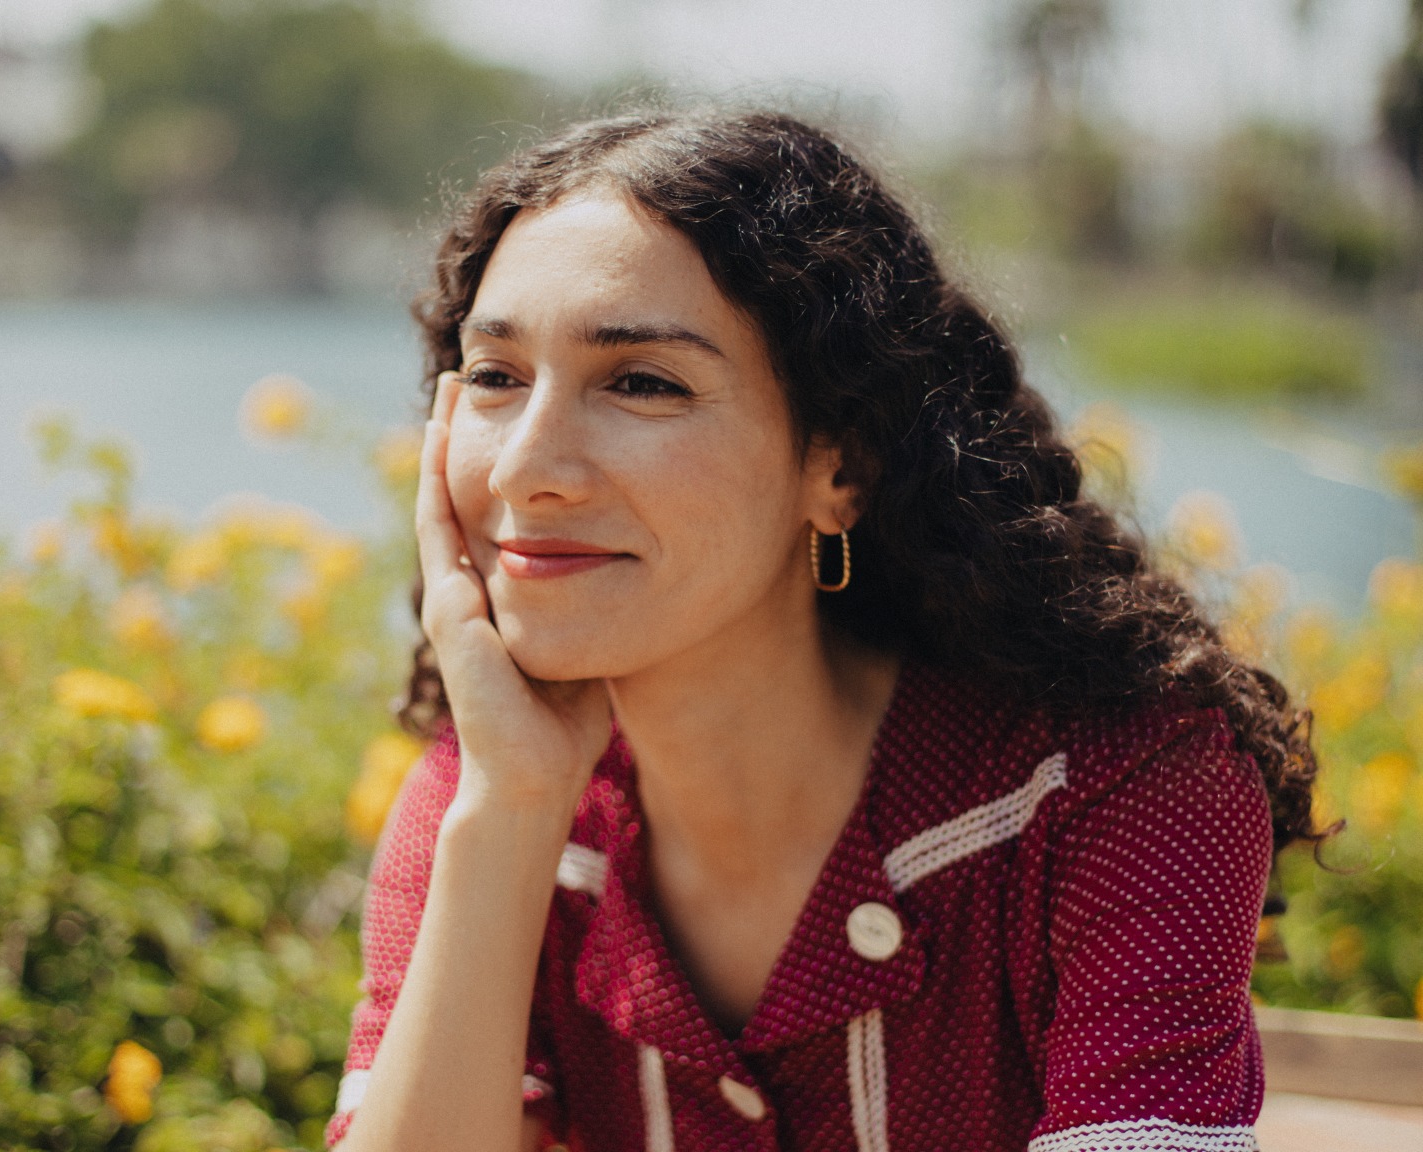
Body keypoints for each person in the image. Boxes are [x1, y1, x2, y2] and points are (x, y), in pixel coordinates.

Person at [326, 107, 1323, 1152]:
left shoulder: (1113, 784)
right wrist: (512, 811)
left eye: (642, 383)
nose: (529, 465)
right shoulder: (483, 803)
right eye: (495, 377)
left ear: (838, 466)